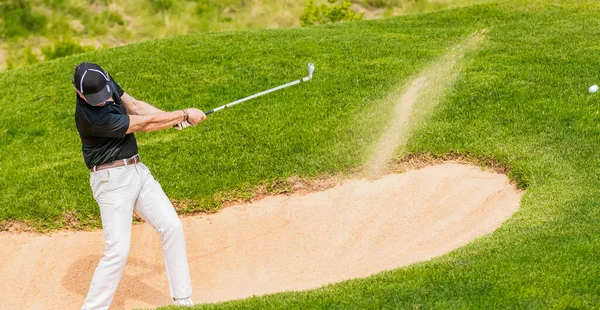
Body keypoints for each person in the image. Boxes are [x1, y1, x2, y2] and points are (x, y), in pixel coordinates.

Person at [72, 62, 205, 309]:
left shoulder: (103, 80)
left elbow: (135, 106)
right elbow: (142, 124)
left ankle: (182, 299)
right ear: (79, 93)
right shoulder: (91, 118)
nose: (102, 101)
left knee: (172, 226)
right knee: (118, 251)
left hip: (137, 171)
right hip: (111, 183)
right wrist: (183, 114)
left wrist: (172, 118)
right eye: (94, 98)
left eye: (103, 94)